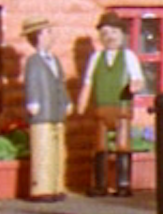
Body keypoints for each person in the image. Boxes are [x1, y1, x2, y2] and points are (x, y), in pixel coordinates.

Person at [76, 12, 145, 197]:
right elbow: (88, 82)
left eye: (114, 32)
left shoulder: (128, 56)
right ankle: (100, 184)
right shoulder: (96, 58)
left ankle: (123, 183)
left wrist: (135, 85)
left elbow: (138, 78)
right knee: (100, 146)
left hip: (121, 108)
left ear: (122, 34)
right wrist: (82, 102)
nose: (110, 37)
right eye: (105, 33)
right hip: (101, 109)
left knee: (123, 145)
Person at [21, 17, 71, 202]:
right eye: (48, 32)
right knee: (43, 151)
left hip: (56, 112)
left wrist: (66, 101)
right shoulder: (33, 62)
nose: (52, 35)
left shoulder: (55, 60)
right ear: (38, 36)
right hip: (41, 114)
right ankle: (41, 188)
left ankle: (57, 185)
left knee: (57, 151)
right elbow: (31, 84)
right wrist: (32, 102)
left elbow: (60, 84)